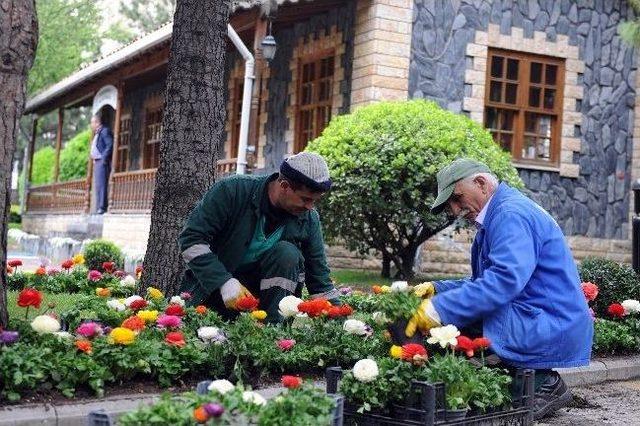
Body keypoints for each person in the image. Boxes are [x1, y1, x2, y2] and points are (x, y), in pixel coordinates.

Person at [406, 158, 593, 420]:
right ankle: (520, 375)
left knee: (459, 316)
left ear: (481, 183)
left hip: (549, 323)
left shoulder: (509, 215)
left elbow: (503, 282)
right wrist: (438, 289)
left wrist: (440, 309)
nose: (456, 210)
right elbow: (486, 281)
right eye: (452, 205)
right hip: (541, 316)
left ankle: (543, 383)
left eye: (458, 199)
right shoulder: (500, 212)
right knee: (461, 311)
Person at [178, 152, 341, 323]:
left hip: (265, 306)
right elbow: (191, 239)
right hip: (214, 294)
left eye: (314, 201)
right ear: (284, 185)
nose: (310, 207)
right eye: (305, 199)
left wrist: (341, 325)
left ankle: (273, 331)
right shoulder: (232, 191)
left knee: (287, 254)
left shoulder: (308, 219)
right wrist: (223, 281)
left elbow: (319, 280)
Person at [89, 114, 114, 214]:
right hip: (97, 161)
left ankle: (102, 207)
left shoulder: (104, 131)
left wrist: (103, 159)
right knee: (98, 185)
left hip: (102, 162)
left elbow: (110, 145)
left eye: (92, 122)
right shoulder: (97, 133)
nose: (91, 125)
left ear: (97, 122)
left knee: (102, 185)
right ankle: (99, 207)